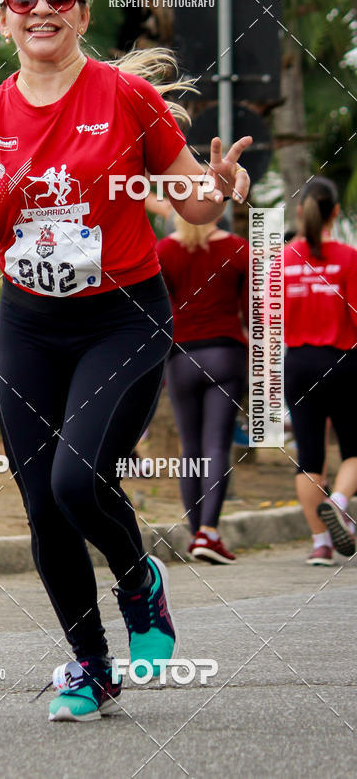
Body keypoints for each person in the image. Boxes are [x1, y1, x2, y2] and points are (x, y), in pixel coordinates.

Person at [0, 0, 251, 722]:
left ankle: (139, 581)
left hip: (123, 317)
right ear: (4, 17)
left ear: (82, 11)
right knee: (43, 507)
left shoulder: (125, 95)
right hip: (31, 326)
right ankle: (90, 666)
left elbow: (193, 209)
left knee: (77, 482)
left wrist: (217, 188)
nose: (41, 8)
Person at [156, 214, 249, 563]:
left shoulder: (162, 251)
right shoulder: (238, 249)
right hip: (225, 353)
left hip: (182, 357)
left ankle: (197, 534)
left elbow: (158, 309)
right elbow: (250, 309)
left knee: (190, 449)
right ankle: (209, 533)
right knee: (216, 446)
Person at [283, 177, 357, 565]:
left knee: (309, 456)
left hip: (296, 365)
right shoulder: (348, 257)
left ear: (301, 212)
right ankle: (341, 505)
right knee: (353, 449)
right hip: (343, 362)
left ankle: (320, 545)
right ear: (336, 213)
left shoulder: (280, 260)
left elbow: (265, 322)